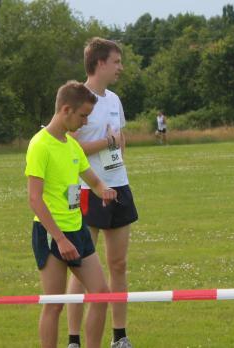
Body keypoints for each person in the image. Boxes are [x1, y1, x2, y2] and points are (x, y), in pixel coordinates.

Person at [27, 80, 116, 348]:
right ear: (66, 110)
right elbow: (35, 198)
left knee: (101, 294)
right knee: (54, 305)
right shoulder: (40, 145)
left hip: (77, 230)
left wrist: (105, 190)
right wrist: (60, 239)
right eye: (83, 116)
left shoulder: (72, 145)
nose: (86, 122)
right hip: (51, 234)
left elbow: (93, 180)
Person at [67, 37, 139, 348]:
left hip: (118, 185)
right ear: (100, 64)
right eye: (116, 62)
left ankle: (119, 337)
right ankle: (73, 340)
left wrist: (117, 143)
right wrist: (107, 143)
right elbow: (70, 148)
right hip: (85, 188)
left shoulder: (115, 100)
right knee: (82, 267)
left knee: (118, 264)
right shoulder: (76, 99)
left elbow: (121, 139)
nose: (120, 67)